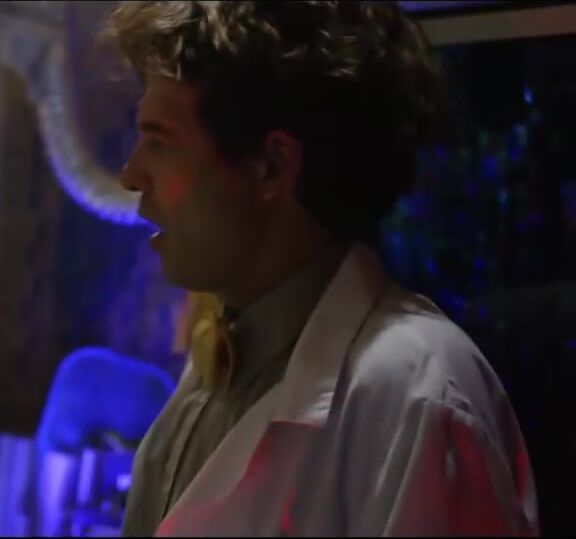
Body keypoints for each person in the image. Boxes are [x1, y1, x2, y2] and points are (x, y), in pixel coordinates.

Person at [104, 2, 539, 536]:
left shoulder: (415, 395)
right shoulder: (217, 380)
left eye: (159, 142)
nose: (132, 174)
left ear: (272, 166)